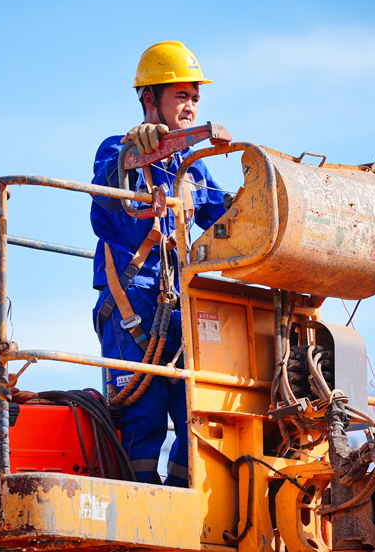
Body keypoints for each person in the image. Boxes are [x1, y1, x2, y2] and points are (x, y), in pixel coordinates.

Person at [90, 41, 227, 486]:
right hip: (133, 306)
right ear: (150, 99)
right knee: (141, 419)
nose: (190, 107)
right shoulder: (116, 151)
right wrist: (136, 152)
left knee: (199, 414)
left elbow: (232, 215)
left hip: (181, 308)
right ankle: (140, 513)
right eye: (180, 97)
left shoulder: (194, 169)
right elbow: (106, 196)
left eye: (194, 98)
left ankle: (186, 505)